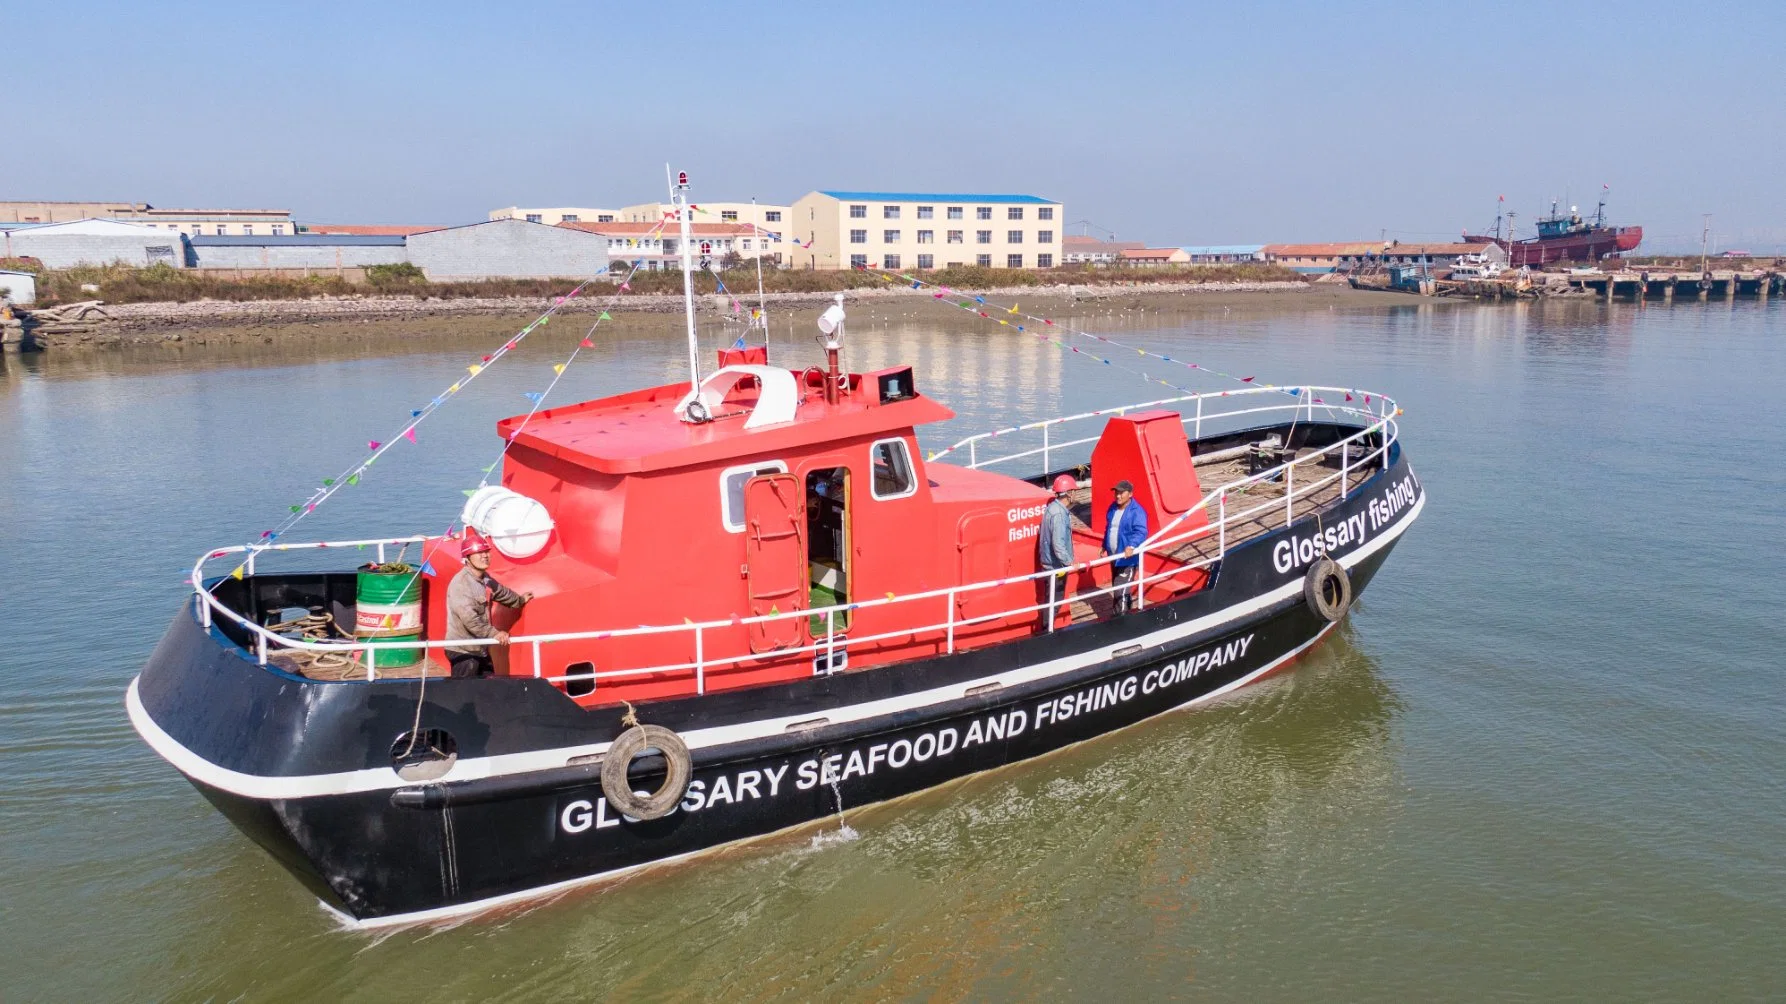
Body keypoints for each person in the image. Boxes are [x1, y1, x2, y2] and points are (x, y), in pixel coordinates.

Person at [444, 532, 531, 678]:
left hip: (480, 648)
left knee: (488, 689)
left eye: (486, 552)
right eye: (478, 553)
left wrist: (520, 600)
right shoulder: (461, 584)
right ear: (467, 559)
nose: (485, 556)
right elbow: (470, 619)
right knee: (465, 694)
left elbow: (500, 592)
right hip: (463, 651)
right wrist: (495, 633)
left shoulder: (484, 578)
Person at [1101, 480, 1148, 615]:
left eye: (1121, 493)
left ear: (1130, 494)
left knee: (1120, 589)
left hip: (1128, 559)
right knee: (1119, 587)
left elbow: (1141, 531)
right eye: (1116, 492)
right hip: (1114, 556)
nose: (1118, 496)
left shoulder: (1137, 512)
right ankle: (1127, 614)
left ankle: (1120, 619)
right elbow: (1109, 528)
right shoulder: (1112, 508)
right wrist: (1104, 544)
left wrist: (1131, 546)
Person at [1037, 474, 1078, 628]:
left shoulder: (1051, 509)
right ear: (1068, 493)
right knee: (1055, 601)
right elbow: (1058, 544)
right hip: (1056, 567)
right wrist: (1070, 562)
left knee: (1051, 600)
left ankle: (1047, 628)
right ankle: (1047, 631)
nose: (1075, 494)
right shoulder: (1060, 514)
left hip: (1048, 564)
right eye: (1073, 491)